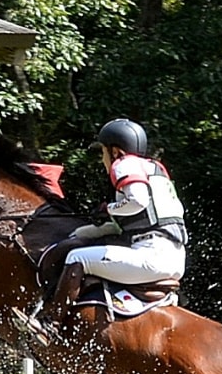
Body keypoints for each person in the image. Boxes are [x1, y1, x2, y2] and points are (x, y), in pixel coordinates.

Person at [31, 118, 187, 344]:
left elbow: (137, 202)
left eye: (103, 152)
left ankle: (51, 325)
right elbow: (120, 225)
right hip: (172, 256)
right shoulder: (155, 171)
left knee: (77, 258)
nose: (102, 159)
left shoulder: (124, 163)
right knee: (86, 248)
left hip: (151, 254)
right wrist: (83, 232)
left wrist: (109, 208)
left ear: (115, 151)